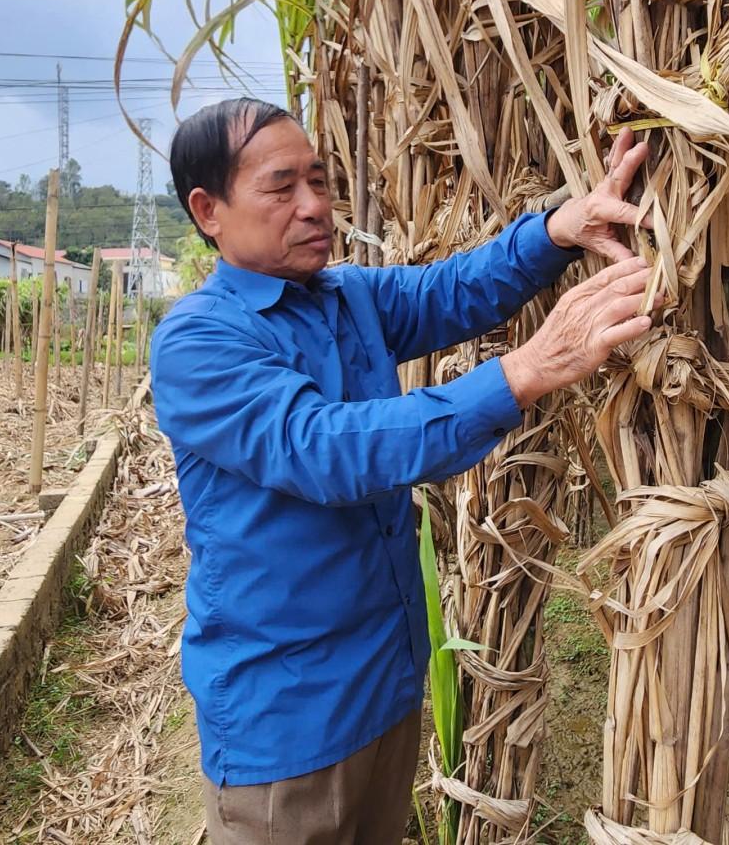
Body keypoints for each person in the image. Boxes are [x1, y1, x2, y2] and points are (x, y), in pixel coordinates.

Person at [150, 97, 654, 845]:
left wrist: (558, 230)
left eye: (319, 181)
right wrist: (530, 368)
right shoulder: (198, 341)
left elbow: (457, 288)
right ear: (209, 209)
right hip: (284, 720)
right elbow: (327, 448)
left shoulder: (345, 297)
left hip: (382, 686)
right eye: (281, 188)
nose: (315, 206)